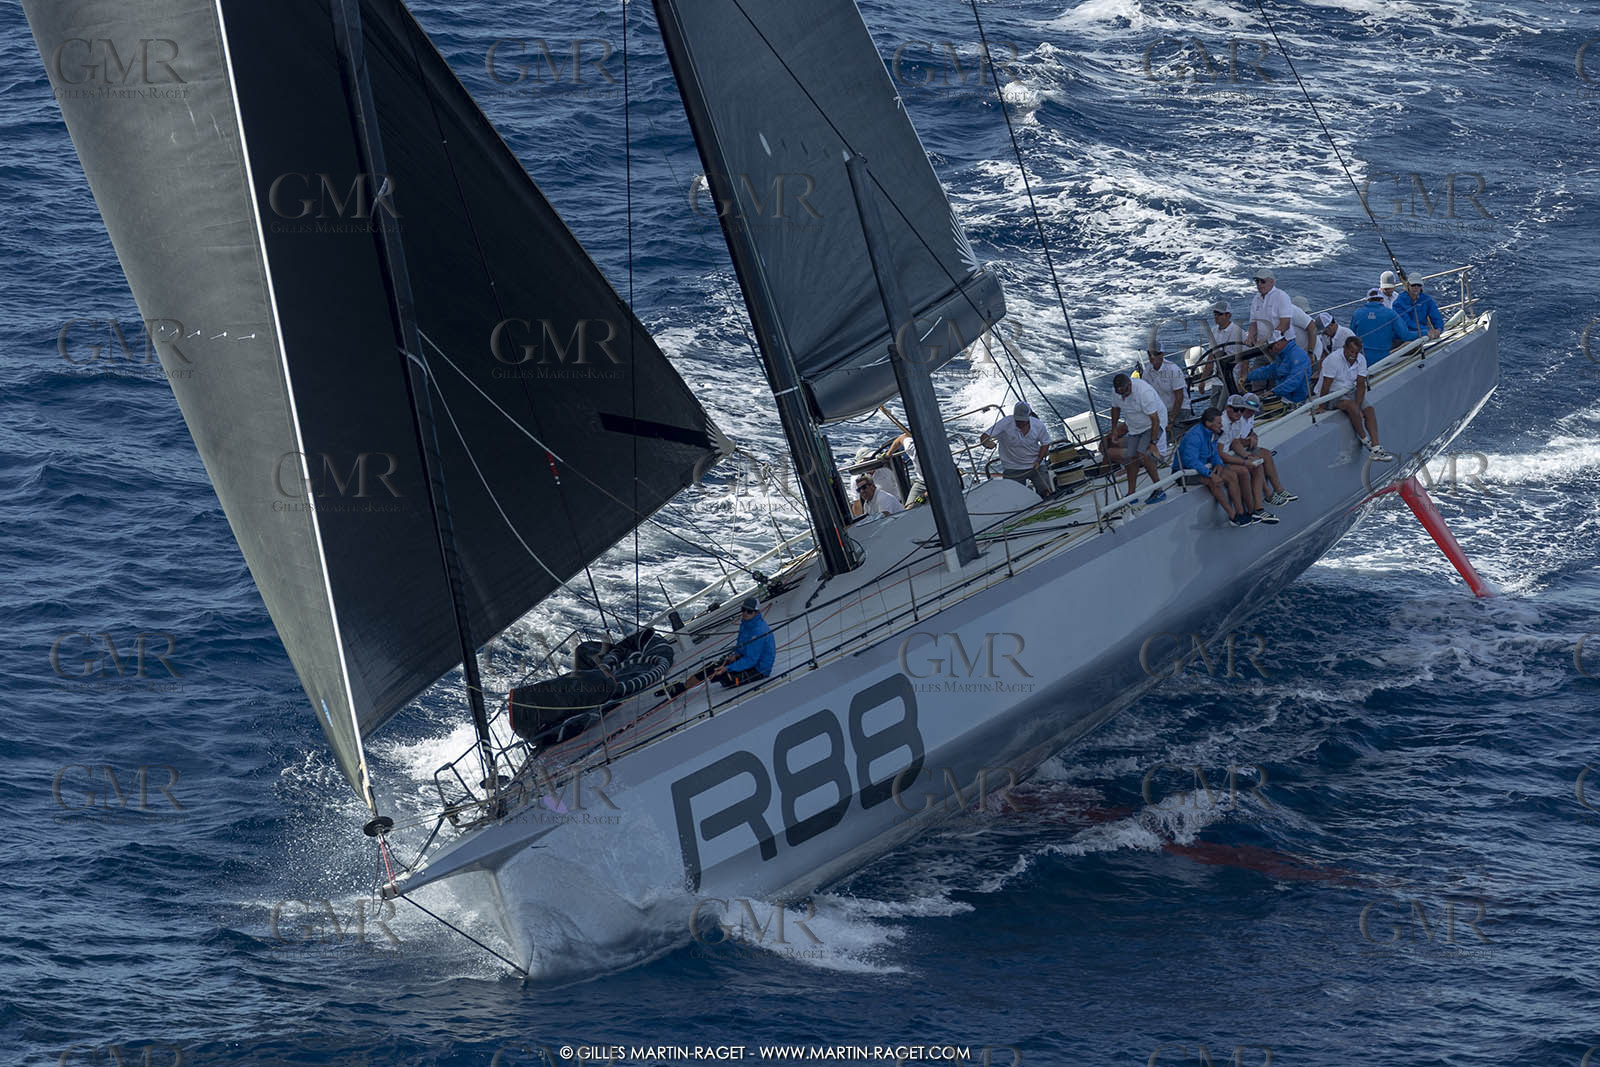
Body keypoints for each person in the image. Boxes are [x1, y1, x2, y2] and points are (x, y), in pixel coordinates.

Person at [672, 597, 777, 695]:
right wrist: (735, 655)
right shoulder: (746, 623)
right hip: (747, 659)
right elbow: (741, 646)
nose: (745, 613)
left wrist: (728, 668)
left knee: (722, 675)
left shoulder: (758, 631)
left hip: (760, 668)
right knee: (711, 666)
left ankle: (682, 689)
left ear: (756, 612)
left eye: (749, 611)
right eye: (743, 609)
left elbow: (751, 660)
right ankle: (683, 687)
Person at [1318, 335, 1395, 462]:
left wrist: (1359, 406)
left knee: (1369, 410)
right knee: (1352, 407)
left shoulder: (1361, 359)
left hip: (1349, 390)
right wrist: (1321, 406)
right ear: (1345, 348)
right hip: (1332, 393)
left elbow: (1360, 384)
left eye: (1356, 352)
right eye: (1351, 351)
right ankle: (1365, 440)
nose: (1353, 355)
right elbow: (1326, 384)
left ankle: (1376, 448)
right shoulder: (1333, 360)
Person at [1174, 406, 1254, 528]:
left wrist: (1219, 464)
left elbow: (1214, 452)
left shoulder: (1212, 433)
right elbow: (1191, 461)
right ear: (1208, 423)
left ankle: (1241, 512)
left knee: (1231, 475)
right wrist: (1211, 474)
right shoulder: (1194, 437)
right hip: (1186, 473)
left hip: (1204, 467)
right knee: (1212, 482)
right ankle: (1232, 516)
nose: (1221, 426)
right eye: (1218, 423)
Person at [1222, 393, 1296, 507]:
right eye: (1248, 410)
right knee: (1258, 462)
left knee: (1265, 454)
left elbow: (1248, 431)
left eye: (1253, 411)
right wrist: (1247, 443)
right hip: (1235, 452)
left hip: (1245, 449)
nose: (1250, 413)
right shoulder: (1236, 419)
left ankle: (1278, 489)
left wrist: (1253, 436)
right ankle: (1267, 495)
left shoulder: (1248, 416)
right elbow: (1232, 442)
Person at [1108, 373, 1167, 502]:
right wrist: (1114, 430)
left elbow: (1155, 420)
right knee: (1130, 457)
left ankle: (1159, 490)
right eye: (1120, 394)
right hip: (1135, 426)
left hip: (1153, 424)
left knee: (1143, 454)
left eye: (1125, 392)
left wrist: (1153, 442)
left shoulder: (1143, 393)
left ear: (1130, 384)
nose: (1123, 396)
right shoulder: (1117, 391)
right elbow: (1115, 408)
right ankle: (1132, 494)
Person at [981, 401, 1051, 498]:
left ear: (1029, 416)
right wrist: (988, 443)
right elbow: (984, 436)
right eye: (1018, 421)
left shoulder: (1038, 425)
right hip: (1013, 469)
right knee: (1015, 498)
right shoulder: (1005, 423)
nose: (1020, 423)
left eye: (1023, 421)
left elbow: (1045, 443)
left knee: (1046, 492)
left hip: (1035, 466)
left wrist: (1039, 460)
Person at [1349, 286, 1419, 365]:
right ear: (1382, 299)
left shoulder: (1356, 314)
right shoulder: (1391, 313)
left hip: (1362, 358)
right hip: (1383, 360)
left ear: (1368, 300)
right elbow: (1405, 335)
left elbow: (1352, 335)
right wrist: (1424, 333)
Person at [1246, 269, 1294, 380]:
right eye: (1257, 281)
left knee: (1279, 377)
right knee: (1256, 378)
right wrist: (1251, 337)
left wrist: (1271, 340)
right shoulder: (1256, 299)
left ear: (1272, 282)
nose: (1259, 284)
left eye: (1262, 281)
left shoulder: (1282, 296)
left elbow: (1285, 323)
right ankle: (1254, 397)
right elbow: (1253, 322)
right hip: (1263, 347)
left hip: (1281, 346)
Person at [1139, 342, 1188, 448]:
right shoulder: (1147, 372)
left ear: (1162, 354)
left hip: (1179, 410)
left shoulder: (1174, 370)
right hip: (1161, 412)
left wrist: (1171, 418)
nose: (1152, 357)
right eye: (1149, 354)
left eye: (1155, 354)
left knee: (1164, 439)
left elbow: (1179, 397)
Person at [1245, 333, 1312, 405]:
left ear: (1277, 343)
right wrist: (1248, 376)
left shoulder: (1297, 355)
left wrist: (1274, 392)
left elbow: (1294, 380)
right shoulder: (1283, 356)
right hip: (1284, 399)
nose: (1271, 350)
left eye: (1270, 347)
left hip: (1296, 401)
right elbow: (1269, 371)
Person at [1202, 300, 1245, 402]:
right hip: (1217, 380)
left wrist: (1242, 379)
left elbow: (1245, 359)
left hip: (1232, 379)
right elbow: (1211, 357)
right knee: (1215, 408)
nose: (1216, 317)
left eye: (1219, 314)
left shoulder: (1239, 333)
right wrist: (1203, 380)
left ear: (1228, 315)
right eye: (1215, 314)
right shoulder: (1213, 331)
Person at [886, 432, 925, 506]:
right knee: (909, 509)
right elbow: (901, 438)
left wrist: (925, 496)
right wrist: (888, 454)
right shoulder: (912, 448)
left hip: (940, 482)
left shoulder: (937, 455)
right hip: (921, 481)